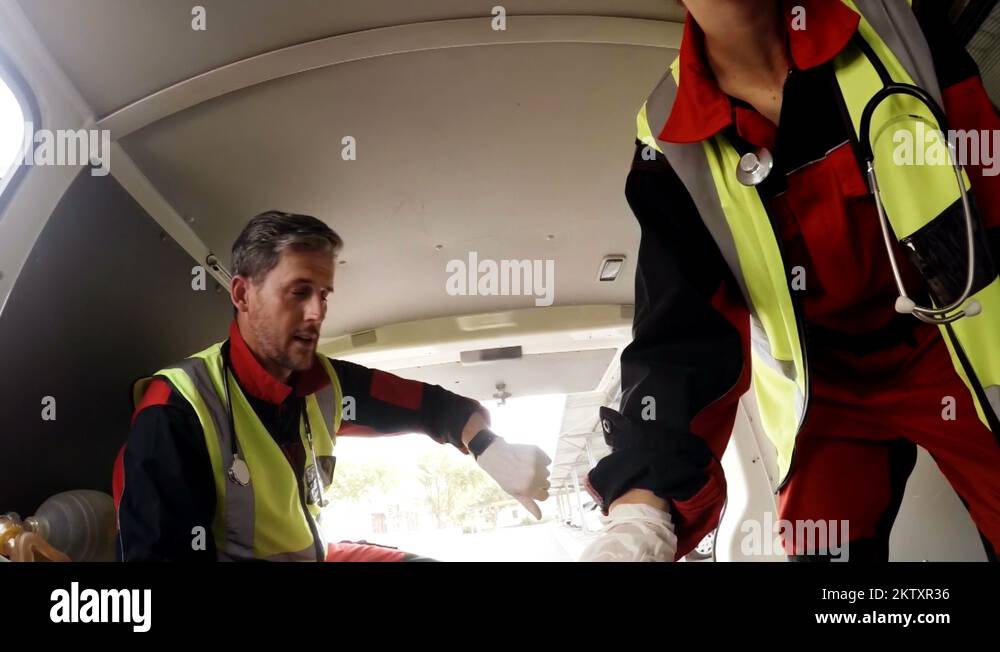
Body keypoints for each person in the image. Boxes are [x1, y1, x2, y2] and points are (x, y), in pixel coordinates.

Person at [582, 0, 1000, 562]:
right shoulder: (668, 134)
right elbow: (680, 328)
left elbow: (992, 174)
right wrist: (641, 508)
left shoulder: (895, 25)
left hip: (951, 346)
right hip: (825, 394)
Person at [114, 210, 551, 561]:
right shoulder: (176, 409)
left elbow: (436, 408)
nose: (316, 313)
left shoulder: (329, 385)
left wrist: (488, 446)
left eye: (324, 294)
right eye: (299, 292)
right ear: (243, 295)